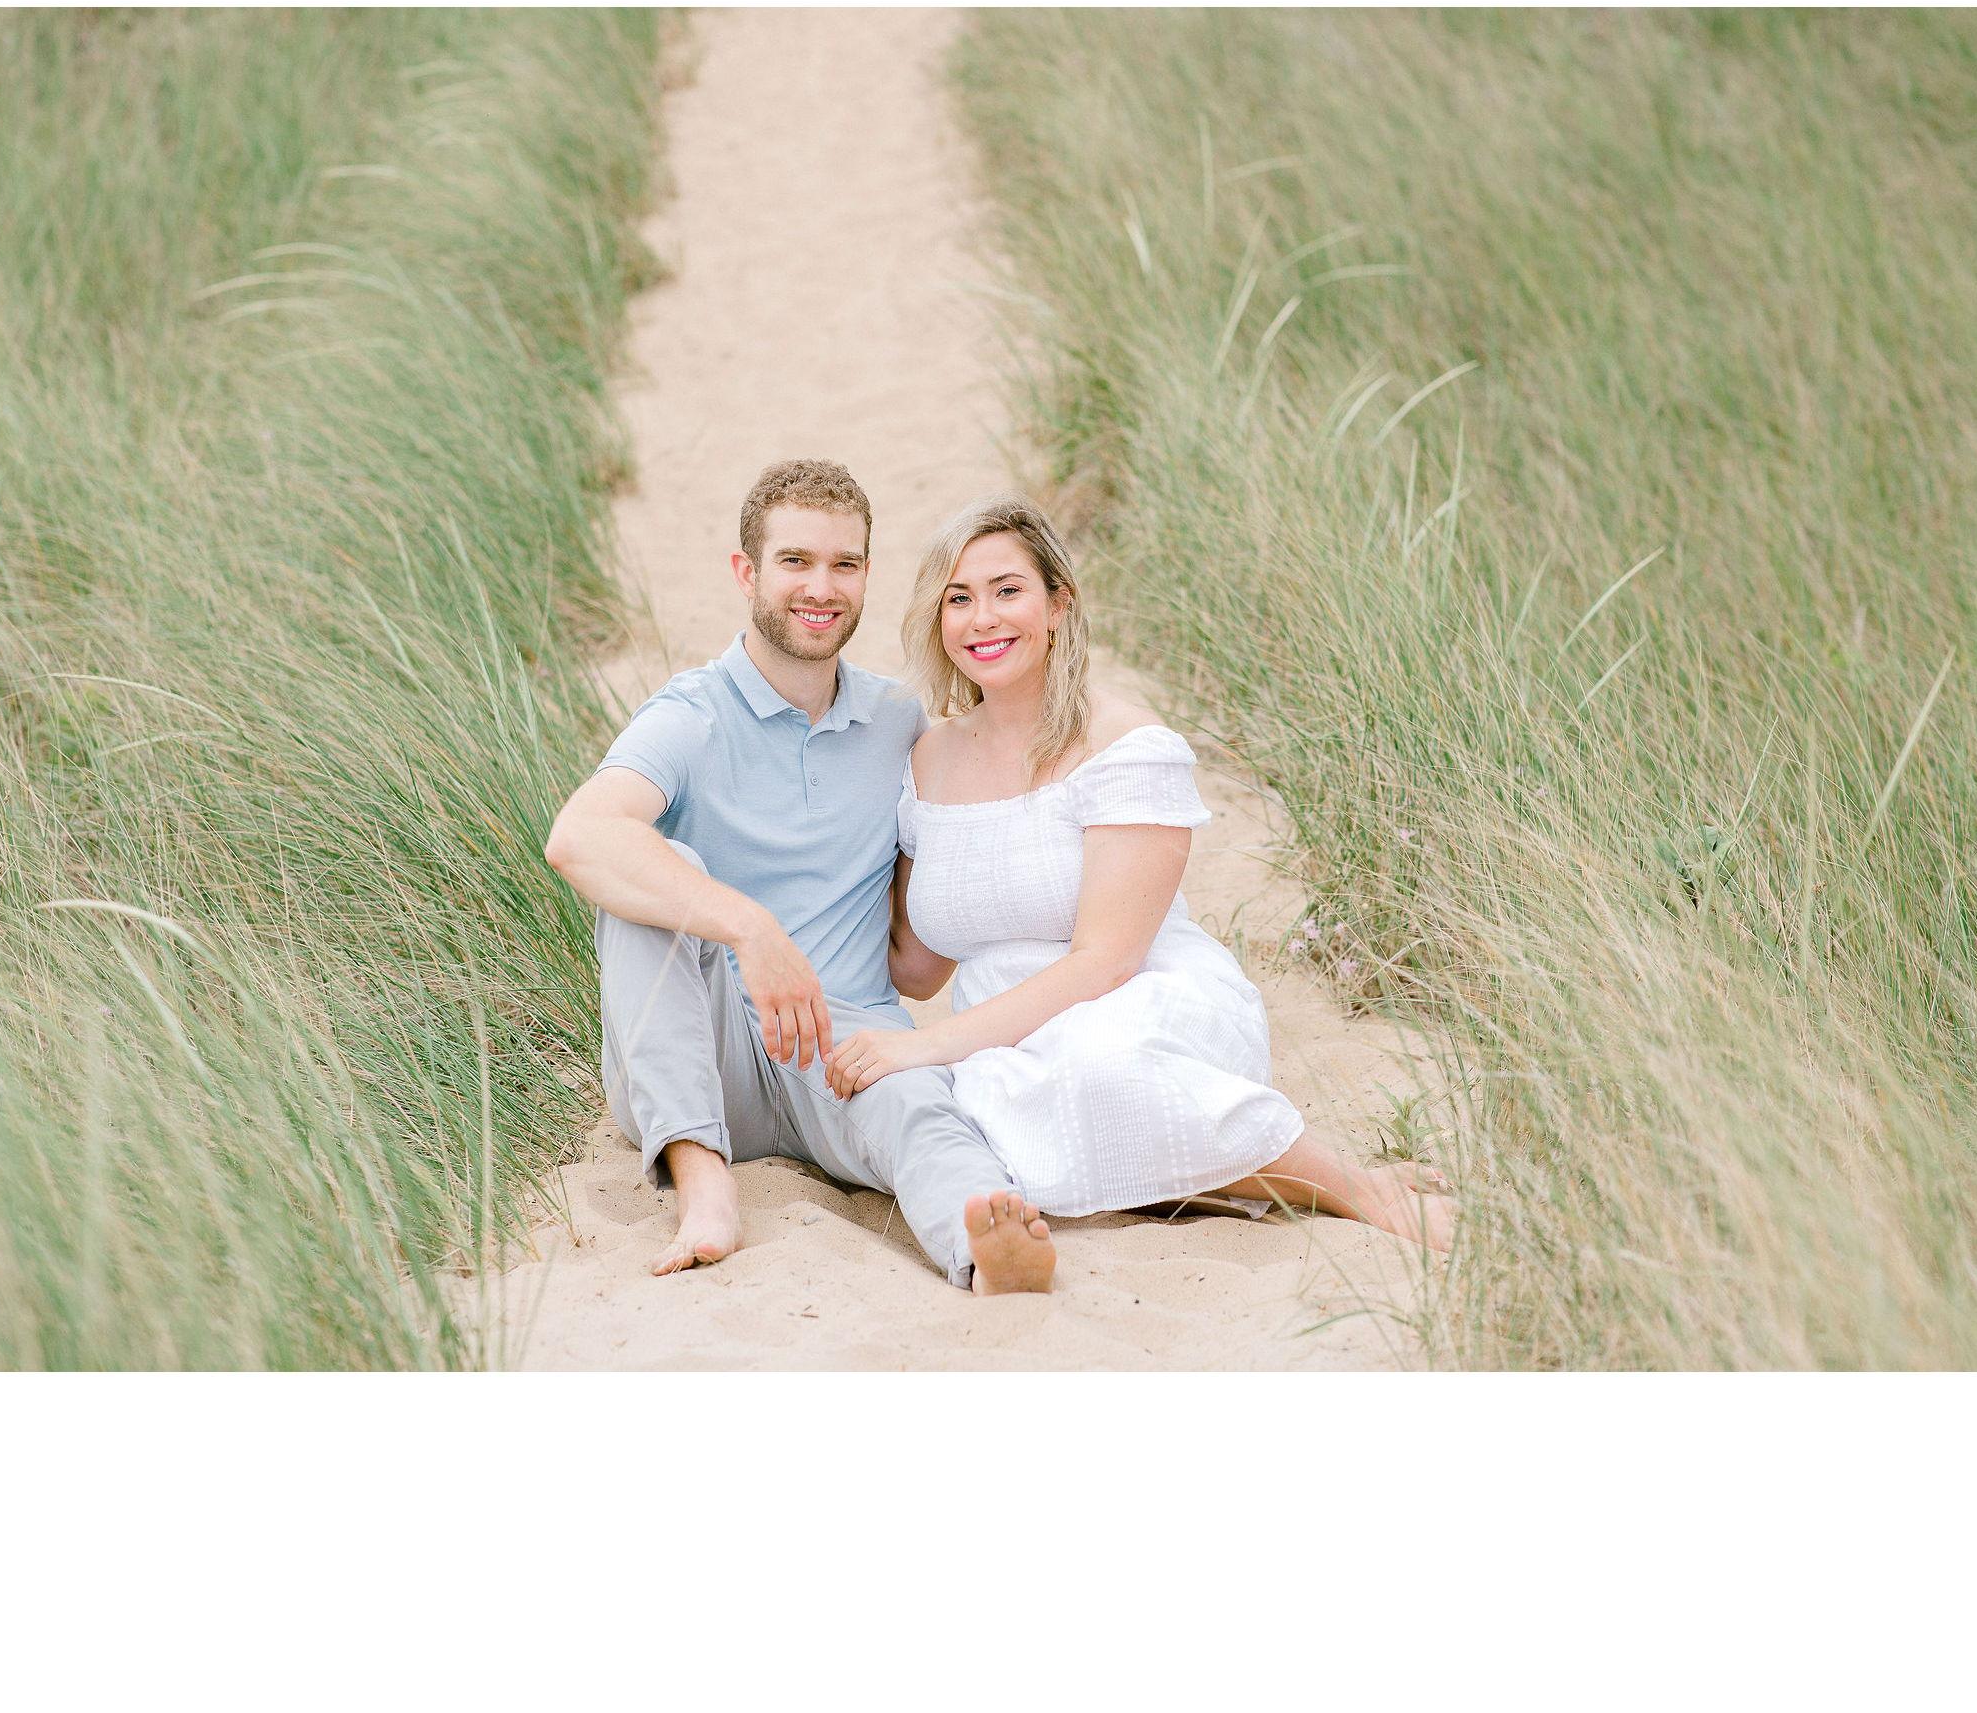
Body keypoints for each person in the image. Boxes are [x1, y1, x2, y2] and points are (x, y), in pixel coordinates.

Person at [822, 492, 1455, 1252]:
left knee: (1101, 1070)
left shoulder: (1124, 743)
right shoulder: (928, 759)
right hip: (1003, 1037)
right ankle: (1217, 1177)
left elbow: (1107, 961)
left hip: (1138, 1002)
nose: (982, 619)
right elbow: (918, 970)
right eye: (958, 599)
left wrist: (928, 1045)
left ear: (1058, 604)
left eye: (1007, 591)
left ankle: (1358, 1188)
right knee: (995, 1117)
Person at [544, 459, 1055, 1294]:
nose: (822, 587)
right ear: (747, 573)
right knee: (655, 869)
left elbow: (919, 965)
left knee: (920, 1107)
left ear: (865, 576)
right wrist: (752, 930)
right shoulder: (691, 714)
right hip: (702, 1057)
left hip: (843, 1044)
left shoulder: (896, 723)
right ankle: (703, 1183)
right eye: (795, 561)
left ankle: (985, 1246)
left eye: (844, 564)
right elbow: (578, 837)